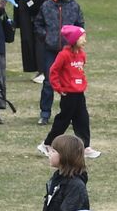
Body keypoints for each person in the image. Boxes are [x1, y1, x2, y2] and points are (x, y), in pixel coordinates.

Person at [34, 0, 82, 126]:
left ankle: (70, 114)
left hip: (69, 51)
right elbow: (38, 25)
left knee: (70, 82)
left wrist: (75, 42)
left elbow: (80, 25)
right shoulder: (46, 6)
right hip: (51, 50)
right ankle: (45, 113)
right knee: (49, 81)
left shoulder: (74, 6)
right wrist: (46, 37)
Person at [40, 25, 96, 156]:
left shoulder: (82, 54)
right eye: (82, 38)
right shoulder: (63, 55)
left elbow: (80, 71)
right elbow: (53, 71)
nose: (85, 41)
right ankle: (47, 143)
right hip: (68, 94)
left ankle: (85, 146)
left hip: (79, 94)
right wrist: (58, 88)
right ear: (74, 40)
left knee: (83, 119)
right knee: (63, 121)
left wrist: (83, 83)